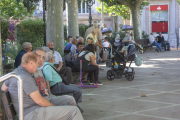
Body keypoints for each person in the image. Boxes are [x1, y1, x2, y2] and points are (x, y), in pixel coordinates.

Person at [1, 52, 84, 120]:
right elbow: (39, 101)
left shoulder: (16, 72)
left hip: (32, 109)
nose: (38, 66)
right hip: (32, 113)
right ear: (31, 63)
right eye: (37, 63)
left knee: (69, 100)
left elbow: (3, 88)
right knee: (74, 111)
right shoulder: (24, 77)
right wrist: (54, 108)